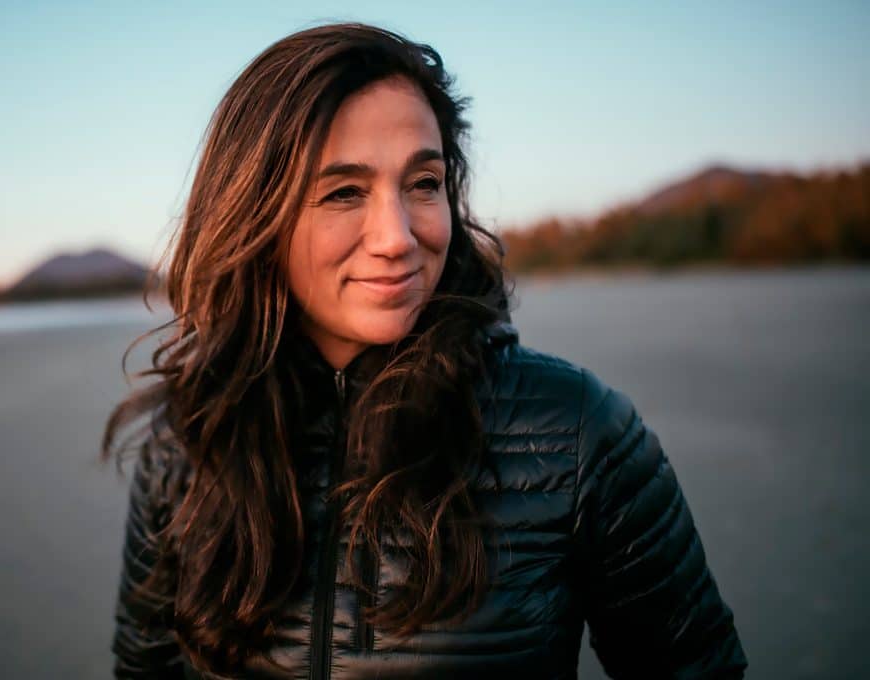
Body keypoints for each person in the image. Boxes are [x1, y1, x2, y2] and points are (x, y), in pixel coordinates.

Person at [103, 22, 747, 679]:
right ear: (254, 216)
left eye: (423, 183)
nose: (398, 237)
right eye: (344, 192)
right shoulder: (187, 438)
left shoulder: (578, 431)